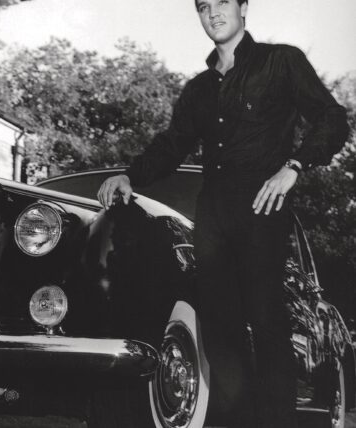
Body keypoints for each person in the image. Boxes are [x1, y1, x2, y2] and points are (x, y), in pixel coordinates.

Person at [97, 0, 349, 427]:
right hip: (212, 214)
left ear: (244, 7)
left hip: (262, 208)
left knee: (267, 325)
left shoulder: (281, 61)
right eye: (203, 6)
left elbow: (333, 118)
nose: (213, 13)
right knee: (220, 334)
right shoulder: (198, 88)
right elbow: (172, 145)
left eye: (222, 3)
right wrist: (128, 176)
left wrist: (294, 167)